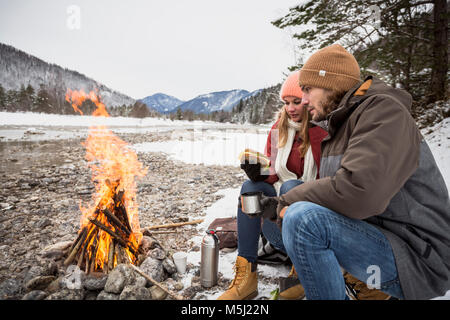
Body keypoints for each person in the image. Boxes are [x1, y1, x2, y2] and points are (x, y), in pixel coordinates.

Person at [268, 43, 450, 300]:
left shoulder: (384, 113)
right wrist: (276, 204)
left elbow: (358, 192)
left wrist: (285, 201)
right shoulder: (343, 124)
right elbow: (335, 192)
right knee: (296, 202)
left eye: (307, 89)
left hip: (419, 257)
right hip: (383, 237)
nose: (304, 98)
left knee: (303, 219)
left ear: (331, 83)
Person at [217, 71, 328, 300]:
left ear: (308, 100)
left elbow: (329, 183)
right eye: (286, 103)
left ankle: (302, 273)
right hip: (278, 225)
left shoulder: (323, 132)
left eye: (296, 102)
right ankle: (247, 277)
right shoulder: (279, 129)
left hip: (312, 227)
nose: (291, 108)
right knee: (250, 188)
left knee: (292, 188)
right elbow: (274, 173)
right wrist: (258, 173)